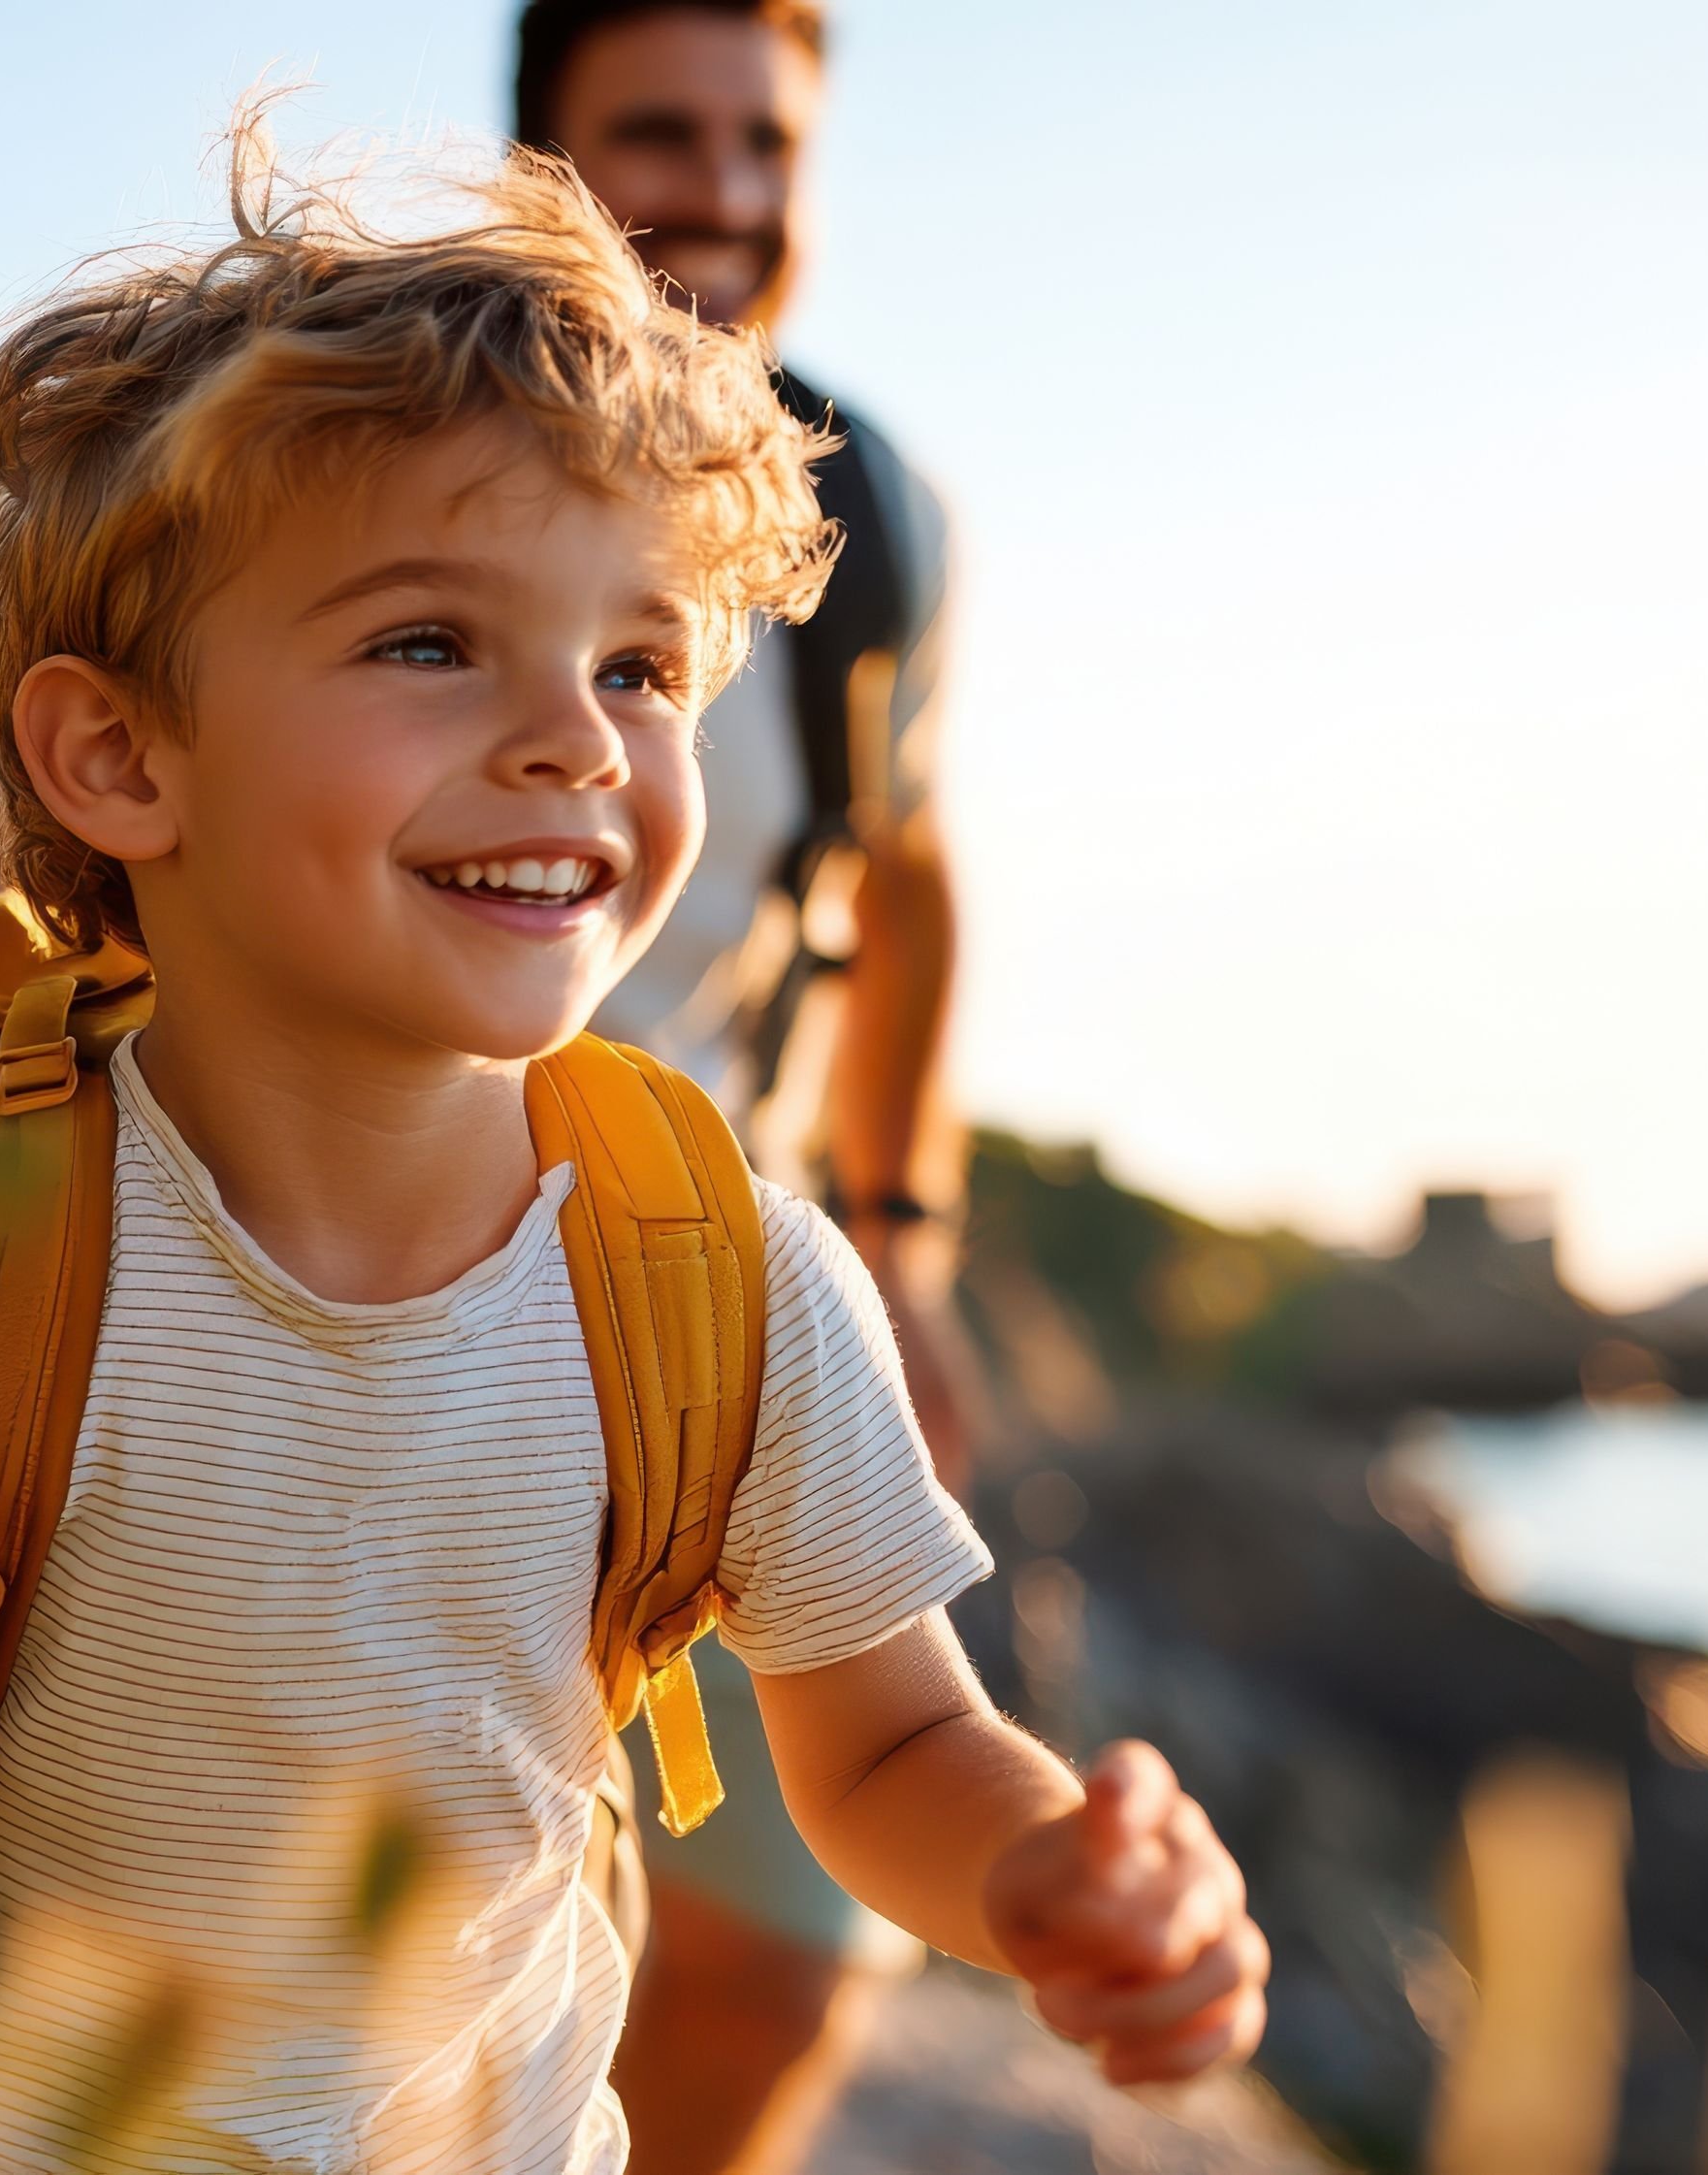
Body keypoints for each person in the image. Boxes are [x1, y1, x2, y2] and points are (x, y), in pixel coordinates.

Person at [0, 119, 1262, 2171]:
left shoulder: (716, 1277)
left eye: (637, 663)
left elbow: (892, 1733)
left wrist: (1039, 1875)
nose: (572, 733)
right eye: (425, 640)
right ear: (117, 753)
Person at [516, 9, 979, 2165]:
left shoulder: (867, 514)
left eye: (759, 141)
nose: (715, 188)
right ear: (536, 151)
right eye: (653, 135)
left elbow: (904, 889)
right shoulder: (353, 437)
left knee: (781, 1963)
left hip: (720, 1299)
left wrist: (900, 1245)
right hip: (364, 1260)